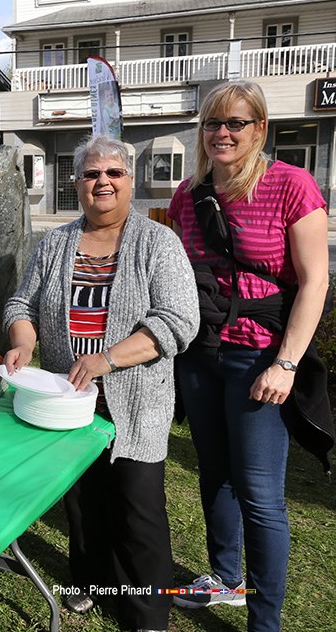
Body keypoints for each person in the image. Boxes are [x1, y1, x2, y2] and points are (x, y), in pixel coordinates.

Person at [3, 135, 199, 632]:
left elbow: (178, 320)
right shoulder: (56, 243)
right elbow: (22, 305)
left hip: (136, 404)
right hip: (70, 402)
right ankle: (89, 583)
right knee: (83, 504)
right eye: (91, 174)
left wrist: (106, 359)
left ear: (130, 181)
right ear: (77, 184)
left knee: (139, 512)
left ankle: (146, 613)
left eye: (114, 172)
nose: (102, 182)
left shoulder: (158, 242)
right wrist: (23, 343)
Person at [167, 81, 332, 631]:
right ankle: (225, 578)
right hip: (201, 353)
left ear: (259, 128)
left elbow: (315, 282)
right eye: (212, 123)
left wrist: (286, 364)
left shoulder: (291, 185)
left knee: (260, 494)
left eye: (235, 122)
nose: (222, 133)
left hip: (260, 357)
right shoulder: (188, 194)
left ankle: (265, 623)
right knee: (214, 473)